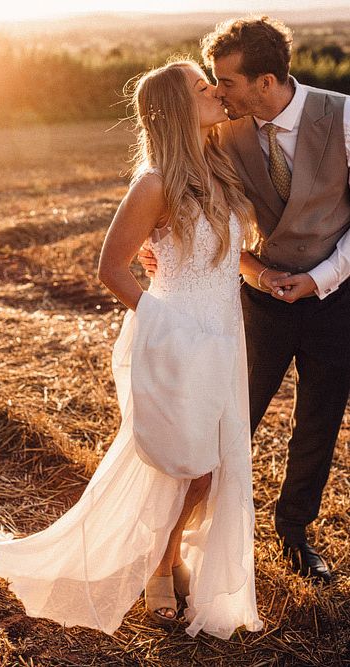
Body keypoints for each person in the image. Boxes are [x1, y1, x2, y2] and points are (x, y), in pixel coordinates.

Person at [0, 59, 264, 639]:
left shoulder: (218, 166)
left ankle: (167, 557)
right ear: (173, 108)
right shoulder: (155, 180)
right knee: (184, 462)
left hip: (222, 334)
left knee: (210, 465)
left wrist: (269, 277)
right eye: (197, 84)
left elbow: (223, 255)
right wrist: (164, 322)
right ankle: (161, 566)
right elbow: (112, 268)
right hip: (176, 336)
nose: (212, 89)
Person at [139, 17, 350, 584]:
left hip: (337, 299)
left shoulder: (345, 116)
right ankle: (174, 548)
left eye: (226, 82)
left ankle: (294, 531)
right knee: (227, 422)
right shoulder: (222, 131)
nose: (218, 92)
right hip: (254, 301)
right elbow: (168, 181)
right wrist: (153, 245)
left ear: (265, 80)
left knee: (318, 421)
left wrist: (322, 276)